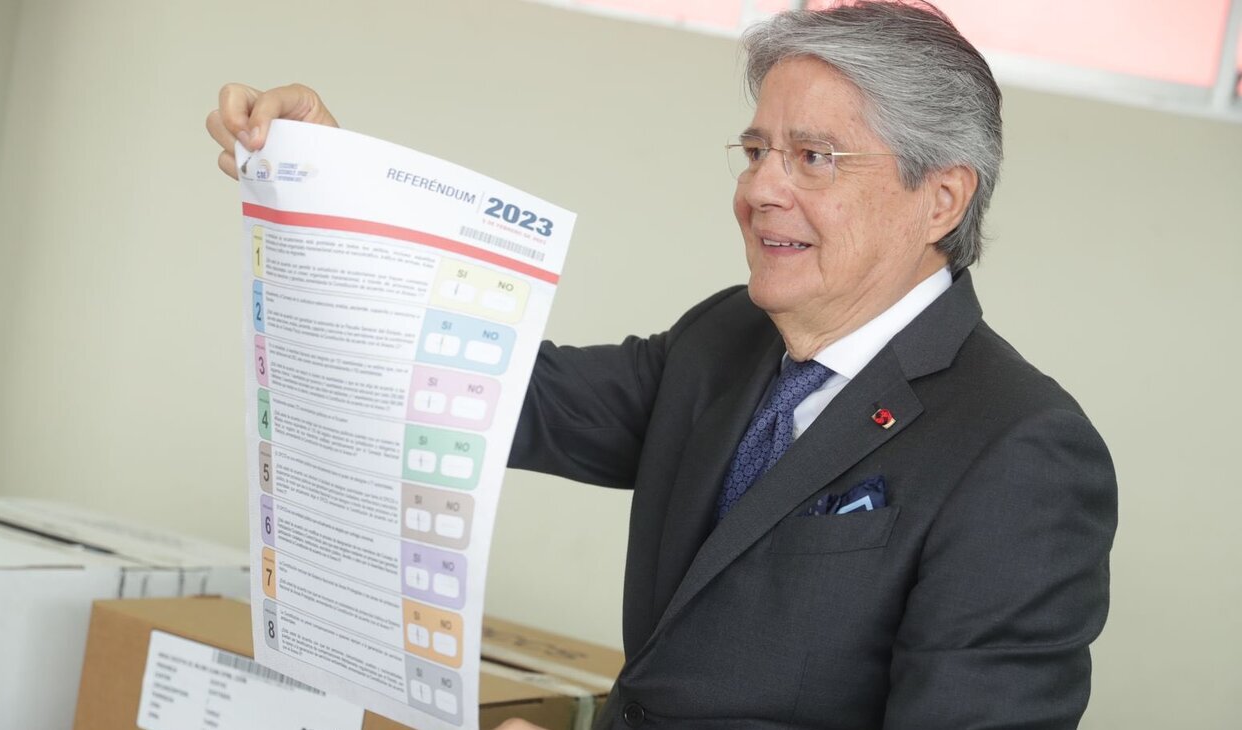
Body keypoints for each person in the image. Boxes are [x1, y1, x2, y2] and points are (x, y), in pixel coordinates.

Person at [208, 3, 1117, 728]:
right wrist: (331, 181)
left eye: (815, 158)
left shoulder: (1023, 451)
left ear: (941, 199)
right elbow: (492, 395)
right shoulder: (728, 336)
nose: (761, 188)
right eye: (758, 150)